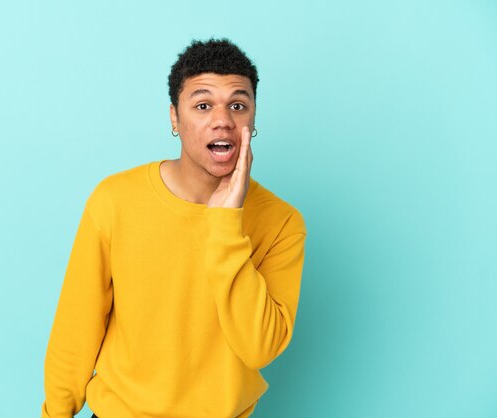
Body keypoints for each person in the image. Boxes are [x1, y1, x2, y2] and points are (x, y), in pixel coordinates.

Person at [42, 38, 307, 418]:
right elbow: (76, 328)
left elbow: (260, 346)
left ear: (253, 119)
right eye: (202, 105)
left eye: (238, 105)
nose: (223, 120)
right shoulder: (115, 200)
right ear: (174, 118)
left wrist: (225, 224)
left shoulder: (282, 223)